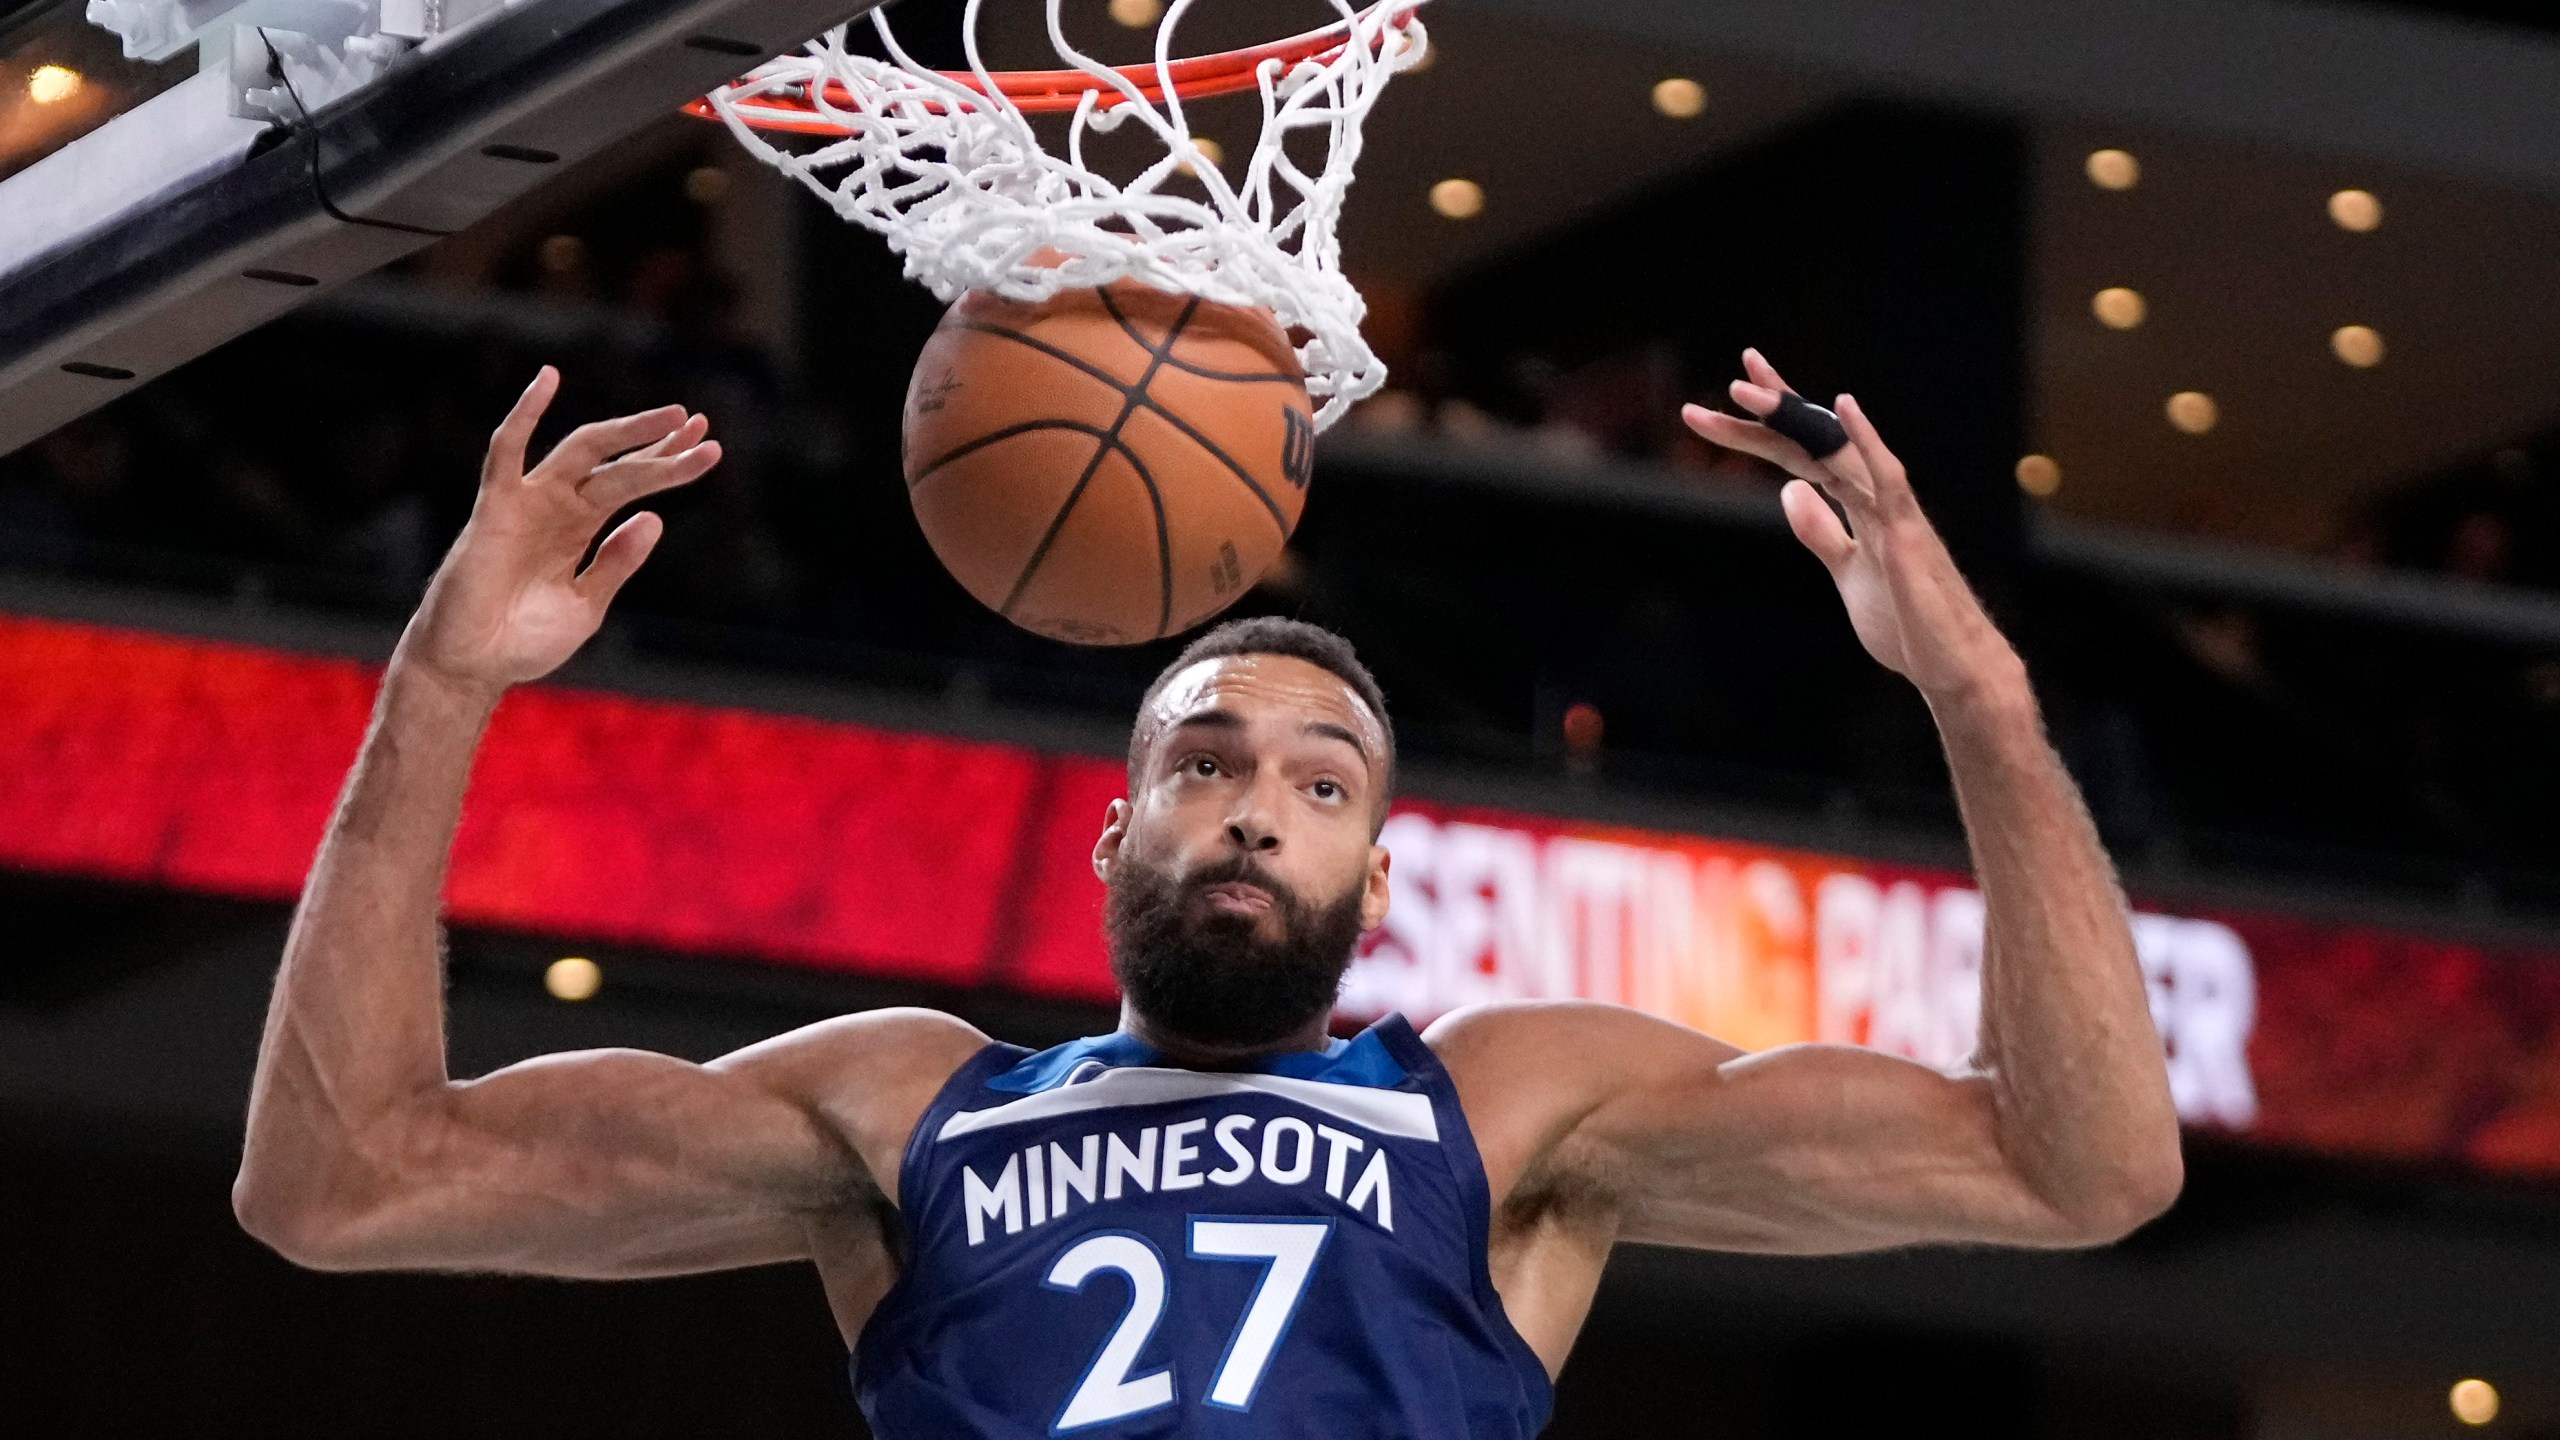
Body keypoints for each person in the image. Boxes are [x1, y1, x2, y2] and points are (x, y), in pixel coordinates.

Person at [234, 352, 2183, 1437]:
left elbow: (2074, 1167)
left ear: (1376, 870)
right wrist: (440, 682)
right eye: (1203, 762)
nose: (1255, 807)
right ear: (1114, 837)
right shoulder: (908, 1110)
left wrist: (1976, 693)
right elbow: (344, 1186)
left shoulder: (1498, 1111)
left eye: (1316, 783)